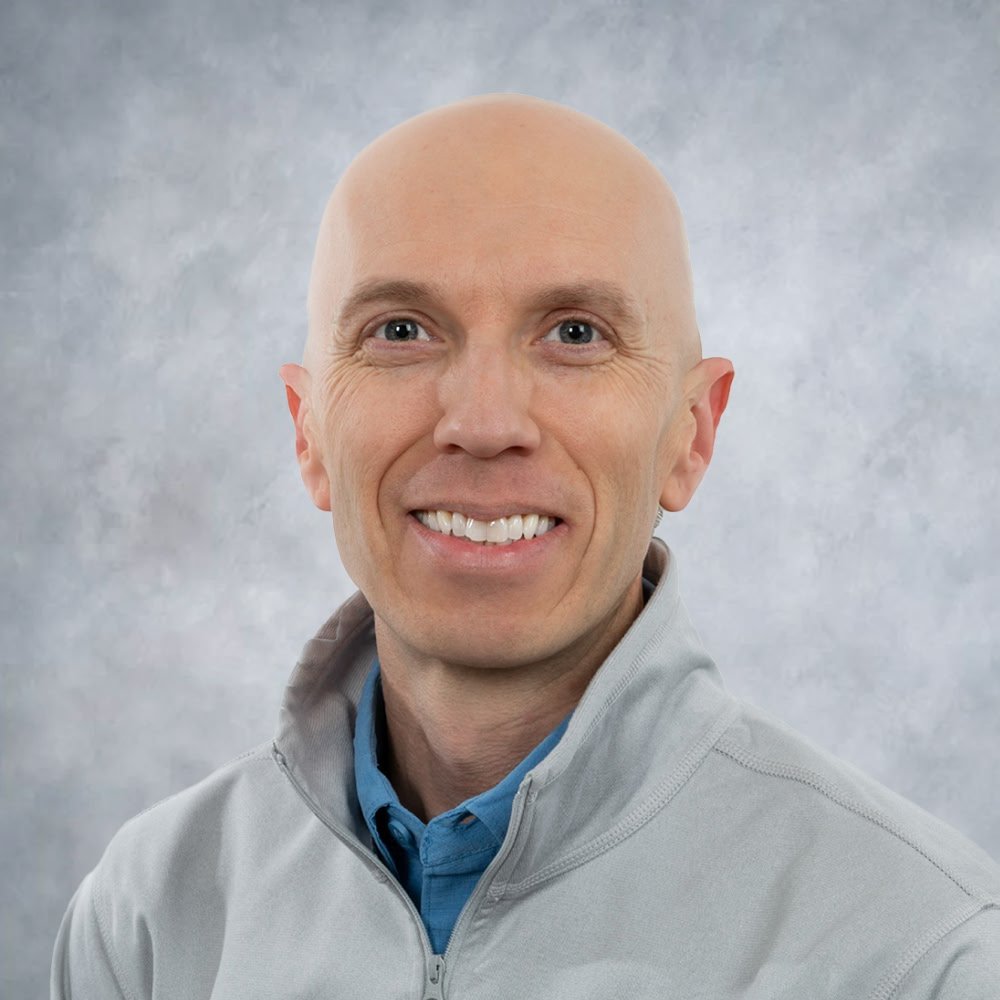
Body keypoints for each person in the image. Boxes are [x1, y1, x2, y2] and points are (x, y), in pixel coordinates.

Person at [52, 93, 999, 998]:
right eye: (401, 330)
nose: (484, 420)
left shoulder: (920, 951)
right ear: (309, 436)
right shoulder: (151, 919)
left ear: (692, 435)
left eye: (575, 334)